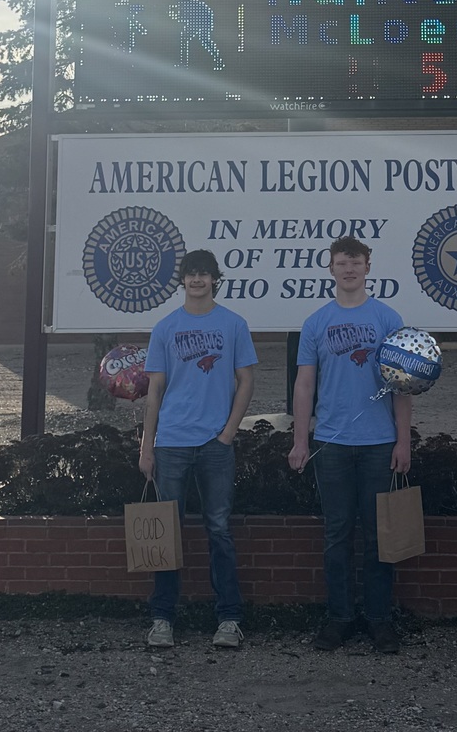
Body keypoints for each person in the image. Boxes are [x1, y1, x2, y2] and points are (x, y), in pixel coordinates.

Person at [288, 236, 411, 654]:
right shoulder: (315, 322)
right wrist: (300, 439)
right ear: (331, 268)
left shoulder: (388, 318)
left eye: (355, 262)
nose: (349, 269)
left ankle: (379, 620)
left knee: (380, 537)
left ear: (368, 266)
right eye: (341, 263)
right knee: (337, 534)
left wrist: (403, 440)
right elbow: (304, 385)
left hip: (379, 443)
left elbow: (402, 385)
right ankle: (339, 618)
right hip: (332, 444)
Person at [139, 249, 257, 649]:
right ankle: (162, 618)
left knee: (219, 531)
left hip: (214, 445)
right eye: (191, 274)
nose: (197, 281)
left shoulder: (234, 324)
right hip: (171, 442)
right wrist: (147, 446)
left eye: (205, 274)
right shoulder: (165, 328)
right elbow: (153, 391)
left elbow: (246, 381)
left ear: (215, 279)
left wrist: (228, 433)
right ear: (182, 280)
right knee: (166, 534)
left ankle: (229, 619)